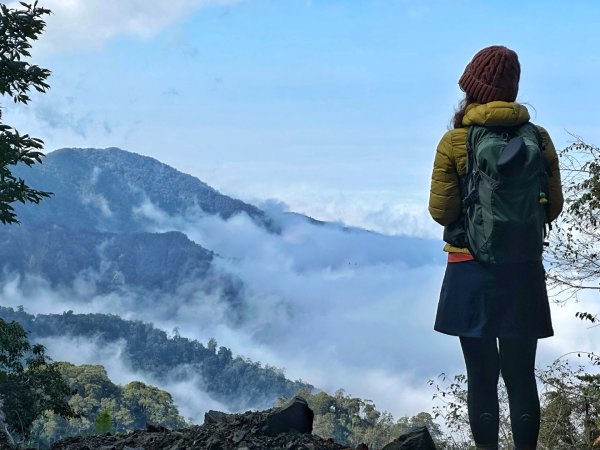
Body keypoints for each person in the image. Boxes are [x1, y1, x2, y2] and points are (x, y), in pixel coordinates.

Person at [428, 46, 563, 450]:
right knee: (521, 377)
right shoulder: (538, 138)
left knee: (481, 377)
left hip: (470, 270)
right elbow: (552, 207)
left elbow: (441, 210)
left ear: (472, 88)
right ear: (513, 89)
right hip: (522, 268)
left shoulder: (455, 141)